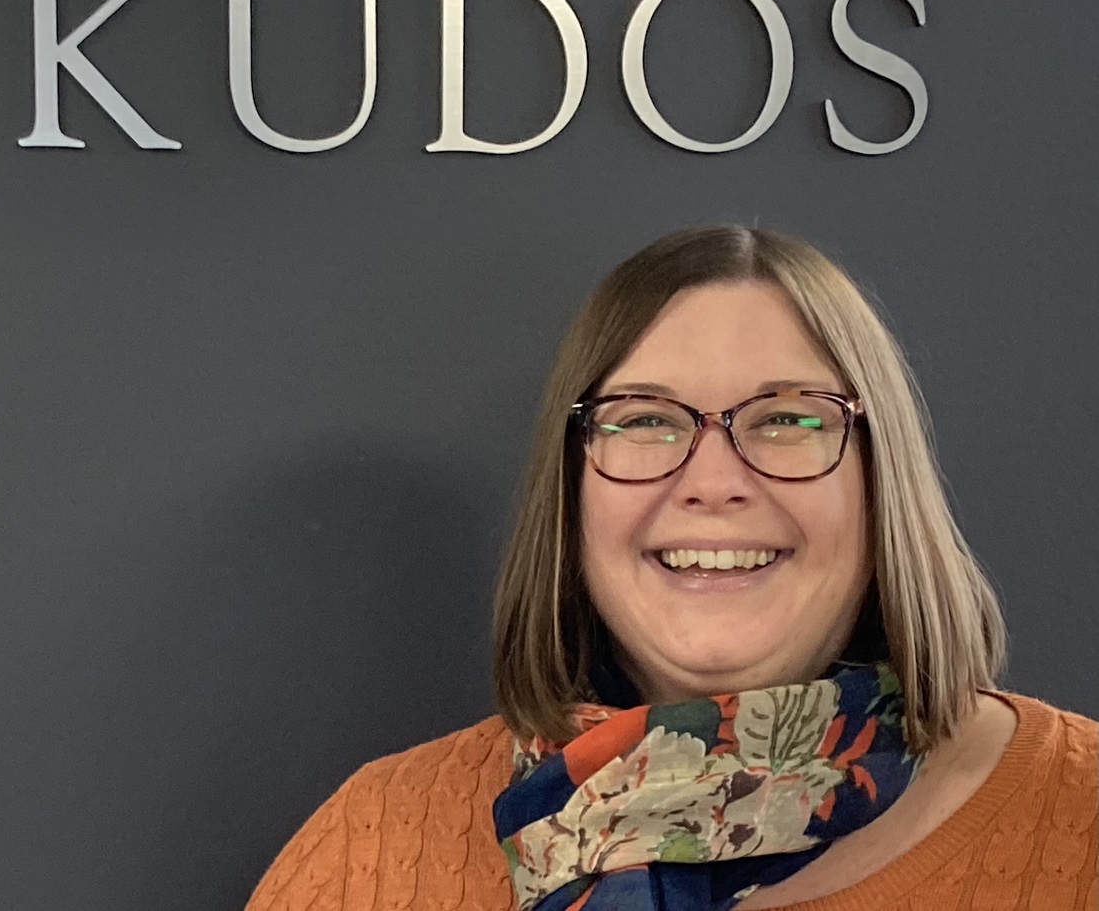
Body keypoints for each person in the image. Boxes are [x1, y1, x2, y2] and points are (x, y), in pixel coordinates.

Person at [242, 226, 1098, 911]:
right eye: (645, 418)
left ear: (880, 482)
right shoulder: (372, 847)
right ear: (569, 485)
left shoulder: (1080, 817)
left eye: (789, 419)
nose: (713, 481)